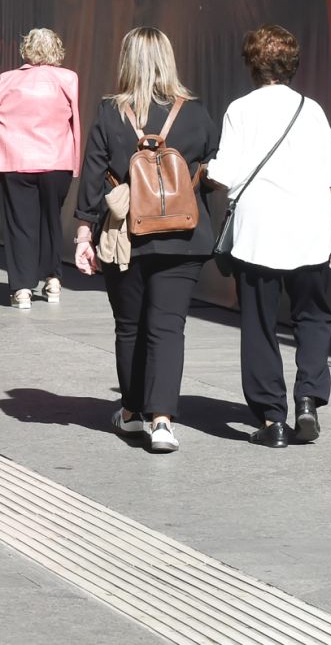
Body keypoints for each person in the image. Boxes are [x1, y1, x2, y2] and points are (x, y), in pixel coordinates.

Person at [72, 27, 218, 455]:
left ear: (127, 60)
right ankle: (163, 421)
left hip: (125, 236)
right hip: (185, 235)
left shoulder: (108, 113)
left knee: (130, 325)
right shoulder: (195, 113)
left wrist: (84, 233)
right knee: (168, 327)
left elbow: (93, 177)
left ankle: (133, 412)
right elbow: (211, 172)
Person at [210, 24, 331, 449]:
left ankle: (272, 420)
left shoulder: (239, 110)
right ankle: (308, 396)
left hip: (257, 233)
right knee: (313, 317)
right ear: (292, 64)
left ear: (251, 64)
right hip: (310, 229)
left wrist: (203, 171)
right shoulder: (312, 110)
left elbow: (224, 174)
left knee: (259, 324)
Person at [0, 27, 82, 308]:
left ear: (26, 49)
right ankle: (53, 279)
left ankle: (22, 289)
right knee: (51, 221)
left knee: (20, 225)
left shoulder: (8, 79)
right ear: (57, 49)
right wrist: (75, 162)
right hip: (57, 162)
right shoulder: (68, 79)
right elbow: (74, 123)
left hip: (16, 162)